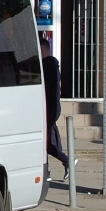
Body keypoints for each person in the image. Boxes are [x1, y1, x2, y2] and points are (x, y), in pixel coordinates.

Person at [40, 36, 73, 181]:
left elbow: (45, 89)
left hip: (49, 107)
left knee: (44, 142)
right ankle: (63, 162)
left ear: (42, 50)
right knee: (47, 140)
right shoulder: (52, 64)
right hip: (51, 107)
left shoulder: (47, 66)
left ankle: (65, 161)